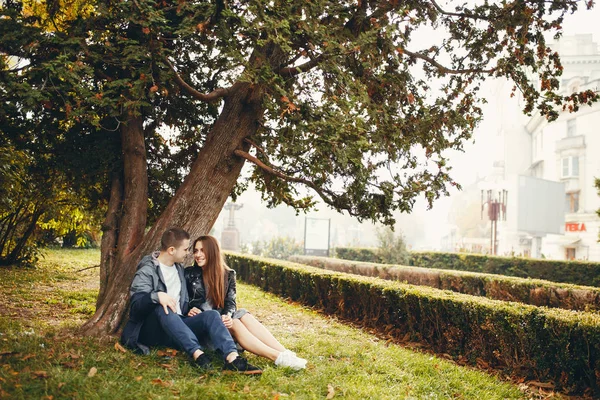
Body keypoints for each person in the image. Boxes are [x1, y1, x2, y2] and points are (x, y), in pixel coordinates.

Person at [120, 227, 262, 375]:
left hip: (180, 325)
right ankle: (198, 355)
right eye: (186, 249)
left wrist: (191, 310)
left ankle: (233, 359)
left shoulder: (179, 269)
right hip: (156, 329)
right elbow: (136, 305)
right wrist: (156, 296)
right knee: (164, 307)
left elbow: (188, 299)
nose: (189, 253)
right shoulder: (147, 270)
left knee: (212, 315)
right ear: (172, 250)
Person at [185, 235, 307, 370]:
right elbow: (183, 302)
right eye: (195, 251)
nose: (198, 254)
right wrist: (189, 309)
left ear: (212, 251)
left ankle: (286, 354)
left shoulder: (228, 274)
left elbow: (230, 302)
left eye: (202, 250)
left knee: (243, 314)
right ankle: (276, 357)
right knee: (235, 323)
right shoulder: (189, 274)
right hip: (206, 328)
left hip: (221, 321)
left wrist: (227, 315)